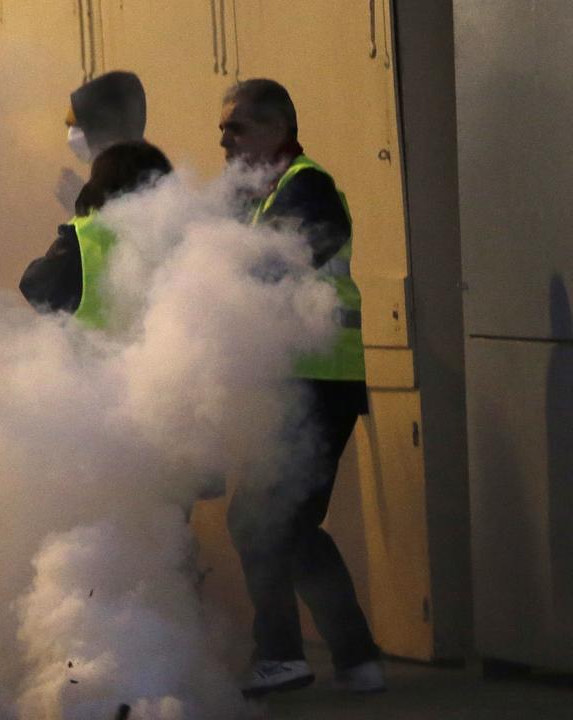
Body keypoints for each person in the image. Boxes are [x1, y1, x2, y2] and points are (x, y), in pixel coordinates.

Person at [217, 78, 384, 696]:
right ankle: (357, 656)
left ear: (277, 129)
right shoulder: (264, 197)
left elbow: (294, 256)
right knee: (288, 523)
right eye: (223, 130)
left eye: (236, 128)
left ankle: (283, 654)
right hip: (306, 382)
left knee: (261, 519)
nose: (225, 141)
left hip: (319, 381)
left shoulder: (306, 186)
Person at [22, 140, 173, 326]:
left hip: (90, 353)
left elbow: (35, 285)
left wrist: (80, 218)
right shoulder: (175, 237)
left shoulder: (85, 237)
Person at [56, 71, 149, 212]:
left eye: (77, 125)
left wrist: (81, 204)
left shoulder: (142, 177)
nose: (71, 134)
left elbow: (121, 229)